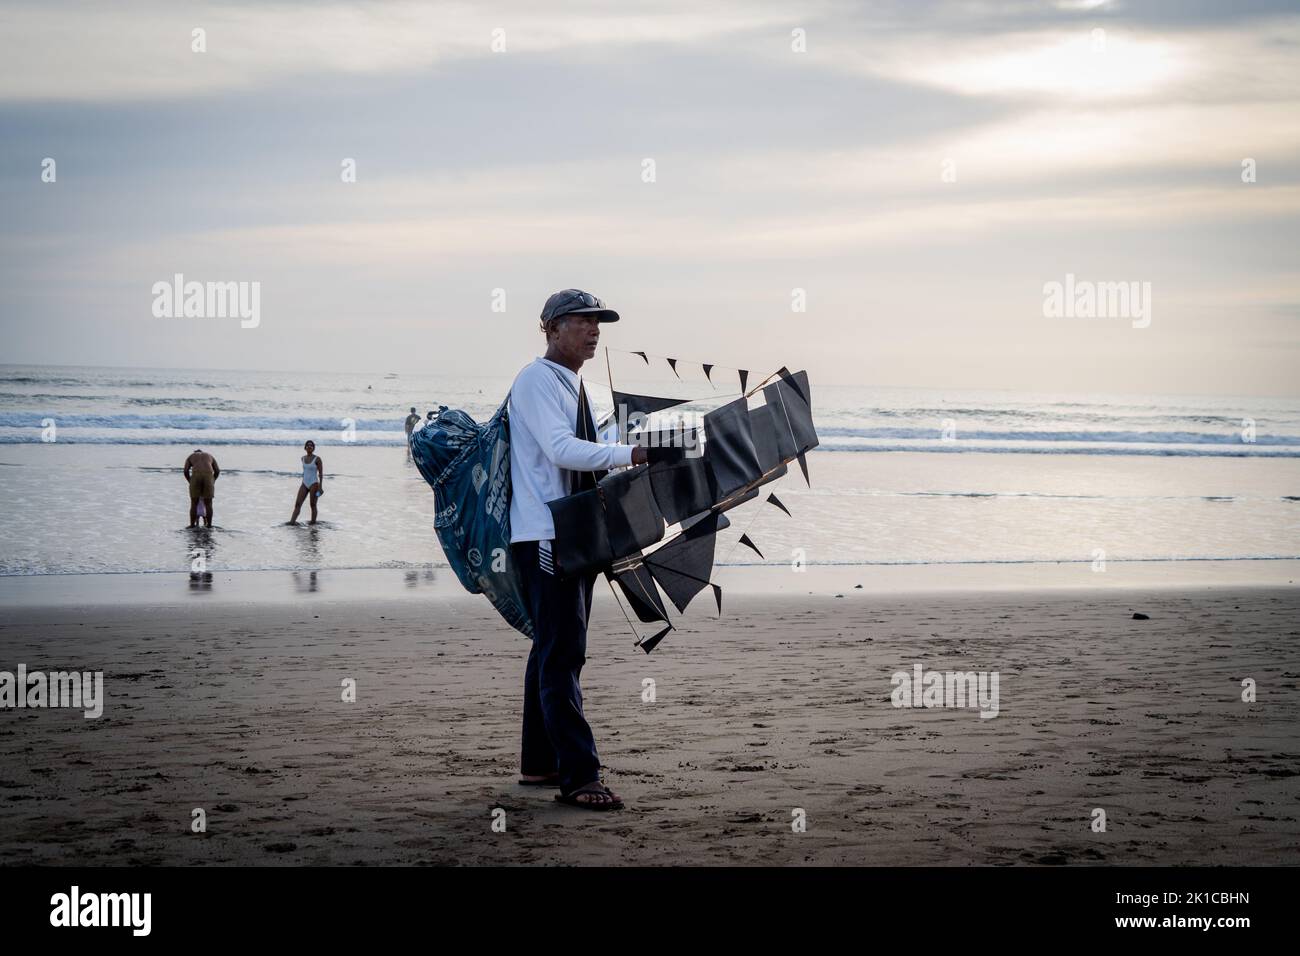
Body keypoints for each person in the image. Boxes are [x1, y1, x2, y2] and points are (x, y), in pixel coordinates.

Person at [508, 289, 673, 812]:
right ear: (552, 329)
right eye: (583, 321)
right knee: (563, 655)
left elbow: (586, 452)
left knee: (549, 650)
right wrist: (635, 452)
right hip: (543, 535)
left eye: (599, 322)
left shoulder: (572, 383)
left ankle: (540, 763)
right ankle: (580, 777)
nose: (594, 329)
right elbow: (560, 449)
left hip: (568, 533)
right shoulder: (537, 379)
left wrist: (644, 447)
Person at [289, 440, 324, 525]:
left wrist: (320, 487)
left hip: (314, 483)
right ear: (305, 448)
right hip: (304, 483)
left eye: (311, 445)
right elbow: (305, 472)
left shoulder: (317, 459)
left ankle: (313, 523)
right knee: (297, 504)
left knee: (312, 505)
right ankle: (291, 522)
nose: (309, 446)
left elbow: (321, 474)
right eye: (307, 445)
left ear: (313, 448)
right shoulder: (303, 458)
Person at [183, 448, 219, 528]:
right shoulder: (210, 456)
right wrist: (213, 480)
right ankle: (209, 525)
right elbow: (217, 470)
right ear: (202, 452)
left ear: (195, 452)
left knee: (194, 503)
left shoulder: (191, 456)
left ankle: (192, 525)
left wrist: (190, 481)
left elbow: (185, 471)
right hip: (208, 476)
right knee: (209, 504)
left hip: (196, 476)